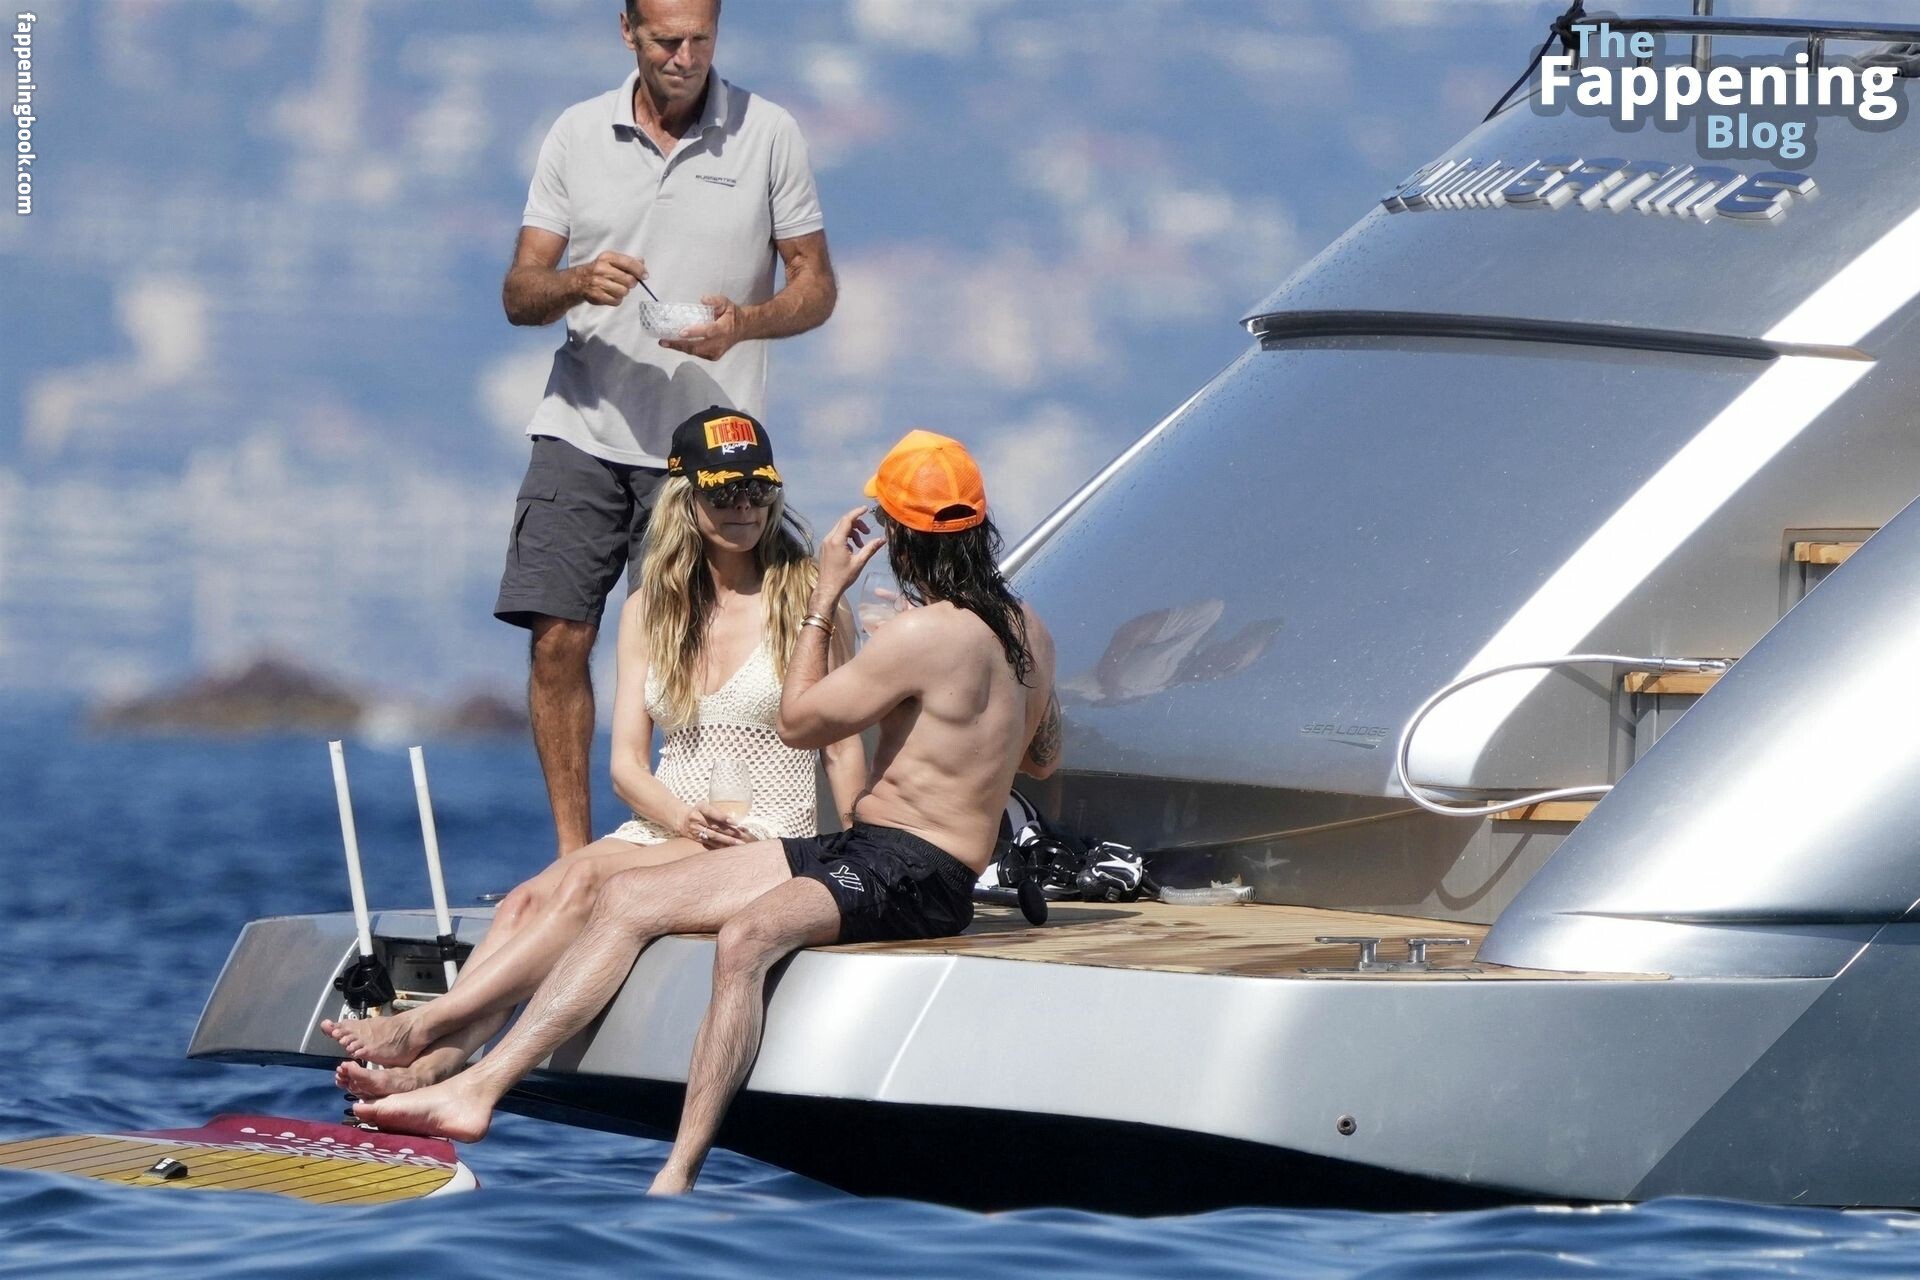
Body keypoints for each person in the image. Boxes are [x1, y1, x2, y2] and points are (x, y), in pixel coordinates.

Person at [352, 431, 1064, 1197]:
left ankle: (677, 1171)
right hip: (876, 851)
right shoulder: (1029, 630)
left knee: (745, 938)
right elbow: (1043, 755)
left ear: (900, 534)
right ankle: (476, 1087)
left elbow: (799, 723)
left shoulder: (924, 633)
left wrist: (825, 600)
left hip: (913, 868)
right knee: (626, 899)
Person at [325, 409, 865, 1096]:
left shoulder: (810, 602)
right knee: (527, 899)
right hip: (670, 824)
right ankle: (436, 1065)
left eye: (757, 490)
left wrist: (863, 856)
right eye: (725, 492)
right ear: (685, 497)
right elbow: (627, 767)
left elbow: (843, 748)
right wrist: (683, 816)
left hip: (764, 833)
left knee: (585, 887)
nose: (744, 508)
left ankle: (423, 1028)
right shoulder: (650, 610)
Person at [496, 0, 837, 857]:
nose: (684, 57)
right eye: (666, 41)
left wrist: (744, 324)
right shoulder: (576, 133)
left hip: (710, 452)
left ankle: (696, 842)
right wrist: (578, 281)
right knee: (558, 639)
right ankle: (574, 857)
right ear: (628, 32)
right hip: (581, 426)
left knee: (701, 646)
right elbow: (519, 292)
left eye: (700, 40)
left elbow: (817, 286)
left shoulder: (768, 132)